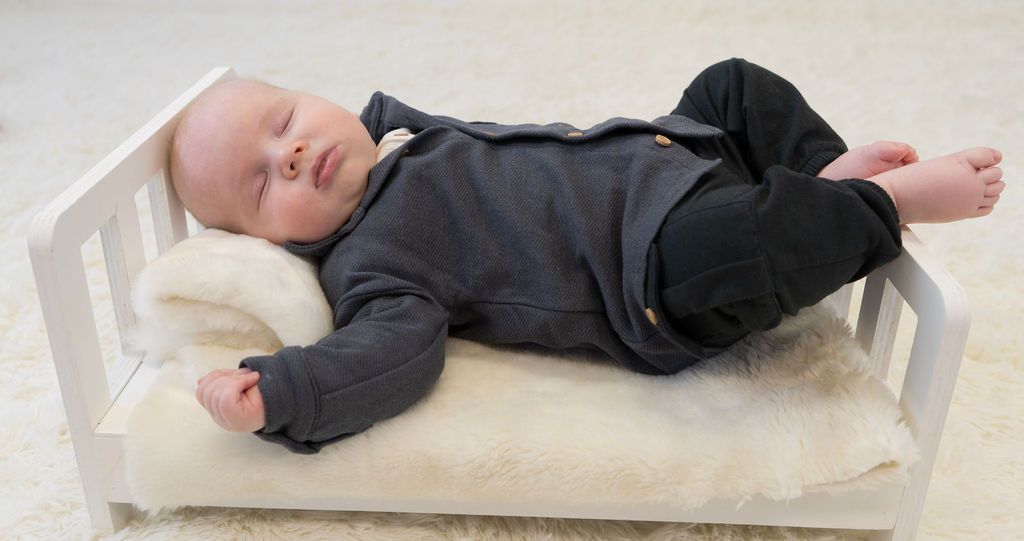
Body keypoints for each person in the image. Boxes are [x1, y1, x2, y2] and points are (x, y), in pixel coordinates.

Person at [171, 58, 1005, 454]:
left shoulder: (394, 135)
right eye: (260, 183)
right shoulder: (370, 260)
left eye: (284, 121)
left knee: (732, 86)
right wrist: (283, 392)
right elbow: (389, 357)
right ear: (263, 243)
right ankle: (884, 203)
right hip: (650, 273)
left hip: (673, 159)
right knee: (744, 243)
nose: (289, 154)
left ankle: (823, 183)